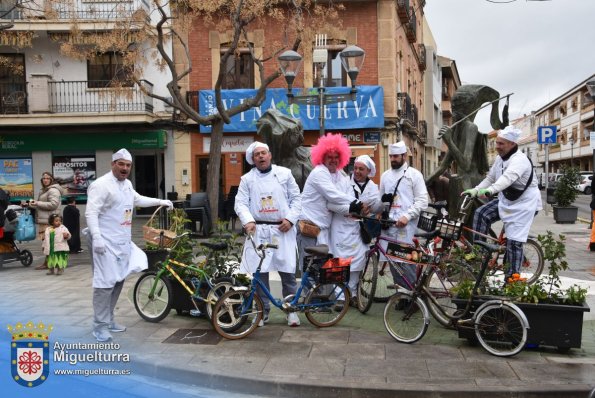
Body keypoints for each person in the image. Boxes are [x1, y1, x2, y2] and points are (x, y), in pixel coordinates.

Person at [85, 148, 173, 342]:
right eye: (121, 164)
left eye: (128, 165)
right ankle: (99, 326)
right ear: (113, 164)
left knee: (118, 280)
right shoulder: (101, 185)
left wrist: (161, 201)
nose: (125, 168)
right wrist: (97, 237)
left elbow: (137, 199)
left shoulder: (127, 185)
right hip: (104, 241)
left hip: (122, 241)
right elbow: (91, 213)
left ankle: (108, 320)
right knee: (104, 283)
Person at [235, 142, 302, 327]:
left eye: (264, 153)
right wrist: (247, 220)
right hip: (259, 231)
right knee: (260, 274)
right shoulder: (247, 179)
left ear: (270, 155)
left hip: (282, 230)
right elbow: (240, 202)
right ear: (253, 159)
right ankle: (262, 312)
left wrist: (290, 219)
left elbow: (297, 198)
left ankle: (291, 310)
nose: (261, 156)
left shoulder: (284, 174)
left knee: (287, 273)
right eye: (257, 154)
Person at [462, 126, 542, 278]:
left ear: (512, 144)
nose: (497, 147)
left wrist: (490, 191)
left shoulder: (520, 160)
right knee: (481, 214)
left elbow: (506, 179)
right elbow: (491, 178)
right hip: (507, 200)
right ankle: (479, 254)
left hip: (524, 205)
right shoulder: (500, 159)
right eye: (497, 143)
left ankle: (512, 280)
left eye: (501, 144)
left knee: (513, 242)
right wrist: (476, 190)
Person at [297, 134, 363, 266]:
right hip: (309, 227)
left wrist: (352, 205)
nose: (333, 160)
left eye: (336, 157)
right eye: (329, 157)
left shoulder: (338, 175)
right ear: (322, 158)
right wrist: (355, 203)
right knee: (309, 270)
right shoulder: (319, 172)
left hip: (323, 229)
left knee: (322, 271)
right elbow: (332, 195)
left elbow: (340, 194)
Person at [328, 155, 382, 306]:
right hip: (341, 229)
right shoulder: (342, 183)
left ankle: (352, 294)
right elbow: (331, 205)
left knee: (357, 263)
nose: (357, 171)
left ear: (368, 171)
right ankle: (339, 297)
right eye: (355, 168)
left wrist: (382, 204)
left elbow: (375, 208)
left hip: (360, 230)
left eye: (361, 169)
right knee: (339, 262)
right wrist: (352, 208)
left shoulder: (373, 188)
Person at [379, 142, 429, 286]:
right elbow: (381, 199)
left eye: (396, 156)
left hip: (407, 226)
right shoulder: (385, 176)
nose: (393, 159)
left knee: (406, 262)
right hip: (389, 225)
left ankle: (412, 297)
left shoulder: (414, 175)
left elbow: (422, 201)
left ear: (404, 156)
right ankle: (401, 294)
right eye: (391, 156)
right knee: (393, 262)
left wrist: (407, 216)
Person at [27, 172, 63, 270]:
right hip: (44, 220)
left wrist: (37, 202)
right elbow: (42, 204)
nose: (45, 180)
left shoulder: (53, 190)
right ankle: (48, 262)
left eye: (47, 178)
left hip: (49, 221)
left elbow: (53, 204)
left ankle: (52, 263)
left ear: (51, 179)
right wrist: (30, 204)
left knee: (50, 243)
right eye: (44, 178)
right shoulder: (44, 190)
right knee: (46, 244)